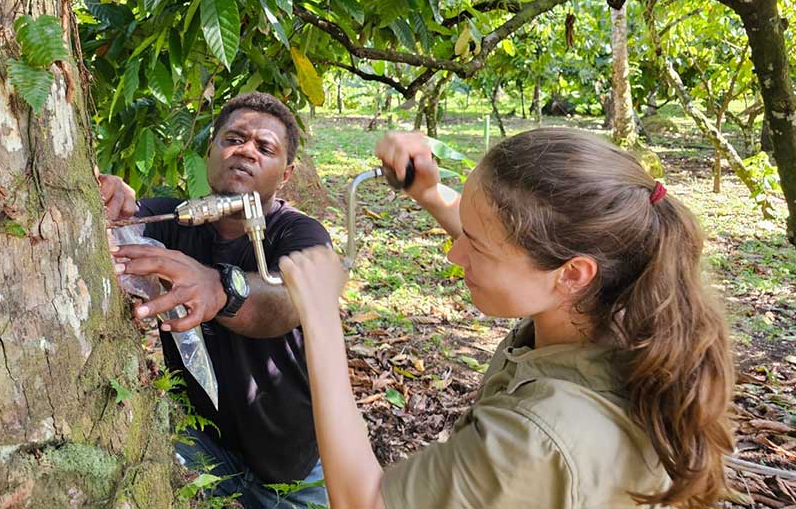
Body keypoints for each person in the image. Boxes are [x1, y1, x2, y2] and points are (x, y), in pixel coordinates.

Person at [278, 128, 735, 509]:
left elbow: (365, 502)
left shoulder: (537, 436)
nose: (455, 254)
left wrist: (319, 319)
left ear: (572, 274)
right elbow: (521, 255)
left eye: (475, 244)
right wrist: (431, 194)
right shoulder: (617, 309)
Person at [99, 92, 331, 509]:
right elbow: (120, 223)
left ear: (287, 174)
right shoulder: (170, 221)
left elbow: (289, 302)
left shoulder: (302, 235)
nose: (245, 151)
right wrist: (104, 196)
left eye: (265, 148)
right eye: (233, 139)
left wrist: (219, 289)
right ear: (210, 151)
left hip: (293, 469)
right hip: (200, 450)